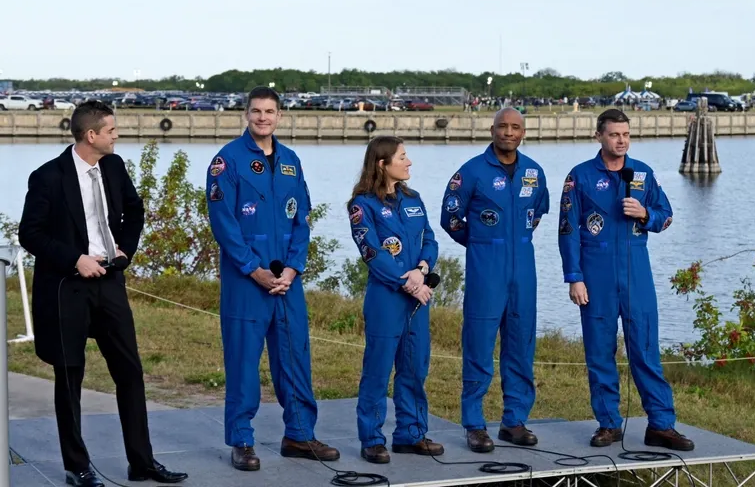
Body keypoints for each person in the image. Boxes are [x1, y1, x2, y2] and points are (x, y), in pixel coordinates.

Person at [18, 100, 188, 487]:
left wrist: (125, 250)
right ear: (91, 135)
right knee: (70, 377)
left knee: (130, 371)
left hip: (110, 283)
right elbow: (29, 234)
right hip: (67, 287)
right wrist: (75, 259)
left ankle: (141, 463)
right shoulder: (47, 177)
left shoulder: (114, 166)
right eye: (111, 130)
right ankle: (76, 467)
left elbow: (134, 210)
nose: (117, 135)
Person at [205, 86, 339, 471]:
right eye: (256, 111)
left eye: (269, 112)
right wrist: (254, 269)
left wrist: (294, 268)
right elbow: (224, 224)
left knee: (295, 357)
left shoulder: (291, 160)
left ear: (280, 116)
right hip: (247, 280)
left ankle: (299, 434)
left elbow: (302, 219)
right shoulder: (227, 161)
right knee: (244, 362)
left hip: (287, 281)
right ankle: (242, 441)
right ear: (246, 115)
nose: (263, 118)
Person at [557, 109, 694, 451]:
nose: (621, 141)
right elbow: (567, 230)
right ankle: (608, 424)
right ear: (599, 136)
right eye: (614, 134)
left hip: (636, 270)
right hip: (596, 273)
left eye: (626, 134)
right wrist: (574, 277)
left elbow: (666, 216)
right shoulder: (580, 176)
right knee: (600, 352)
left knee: (645, 349)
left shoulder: (643, 174)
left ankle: (661, 424)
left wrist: (645, 214)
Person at [439, 107, 550, 453]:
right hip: (486, 269)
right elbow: (450, 218)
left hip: (524, 269)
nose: (509, 132)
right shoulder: (471, 171)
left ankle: (514, 421)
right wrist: (481, 242)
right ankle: (474, 424)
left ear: (523, 132)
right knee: (479, 346)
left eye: (516, 127)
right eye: (503, 126)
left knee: (521, 345)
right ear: (492, 130)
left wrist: (515, 240)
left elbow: (537, 214)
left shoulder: (534, 172)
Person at [347, 136, 445, 463]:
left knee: (415, 368)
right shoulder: (362, 205)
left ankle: (411, 433)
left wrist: (422, 269)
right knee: (378, 370)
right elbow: (371, 252)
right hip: (386, 298)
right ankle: (372, 438)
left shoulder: (413, 199)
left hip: (416, 301)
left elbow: (430, 239)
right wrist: (408, 283)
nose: (409, 162)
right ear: (382, 163)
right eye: (402, 157)